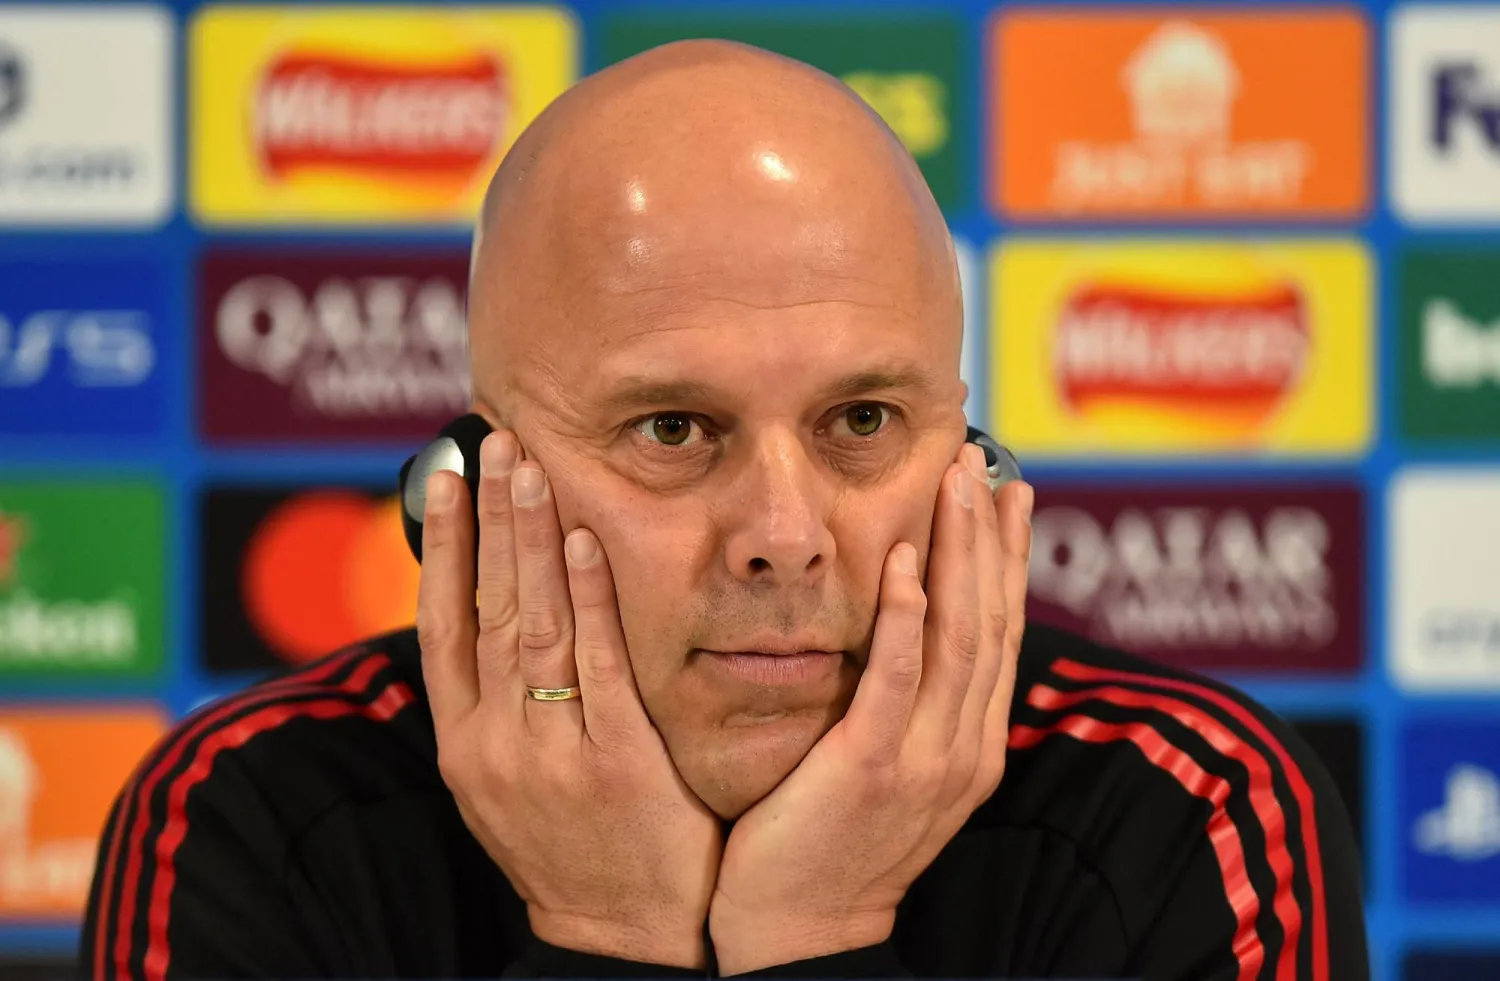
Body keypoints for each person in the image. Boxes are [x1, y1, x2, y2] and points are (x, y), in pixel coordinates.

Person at [80, 40, 1367, 981]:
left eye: (862, 423)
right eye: (673, 431)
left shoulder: (1190, 812)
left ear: (971, 463)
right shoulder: (248, 819)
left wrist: (818, 937)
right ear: (470, 494)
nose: (785, 534)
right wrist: (607, 939)